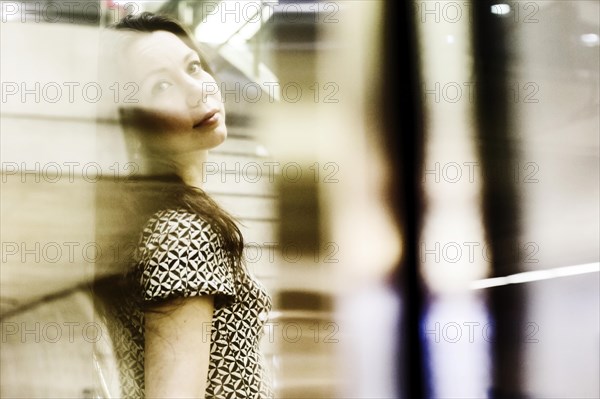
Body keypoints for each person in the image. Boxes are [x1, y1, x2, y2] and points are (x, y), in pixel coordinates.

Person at [93, 12, 273, 399]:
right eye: (161, 86)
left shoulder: (155, 222)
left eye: (193, 66)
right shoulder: (182, 232)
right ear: (131, 122)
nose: (197, 90)